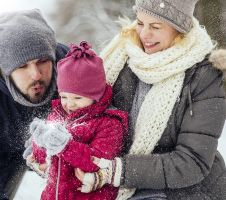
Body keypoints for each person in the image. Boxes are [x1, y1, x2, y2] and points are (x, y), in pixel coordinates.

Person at [74, 0, 226, 199]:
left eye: (155, 27)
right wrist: (54, 153)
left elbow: (192, 161)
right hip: (115, 183)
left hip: (183, 191)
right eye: (139, 23)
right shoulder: (120, 59)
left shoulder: (204, 76)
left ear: (180, 30)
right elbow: (86, 117)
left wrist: (118, 171)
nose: (144, 34)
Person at [0, 9, 69, 200]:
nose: (36, 75)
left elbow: (100, 123)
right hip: (1, 154)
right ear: (6, 69)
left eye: (42, 61)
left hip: (62, 150)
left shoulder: (74, 67)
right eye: (22, 66)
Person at [25, 41, 128, 200]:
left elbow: (97, 163)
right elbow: (45, 158)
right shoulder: (58, 114)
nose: (69, 103)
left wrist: (65, 146)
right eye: (64, 96)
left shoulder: (109, 123)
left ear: (95, 94)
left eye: (77, 97)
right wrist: (39, 143)